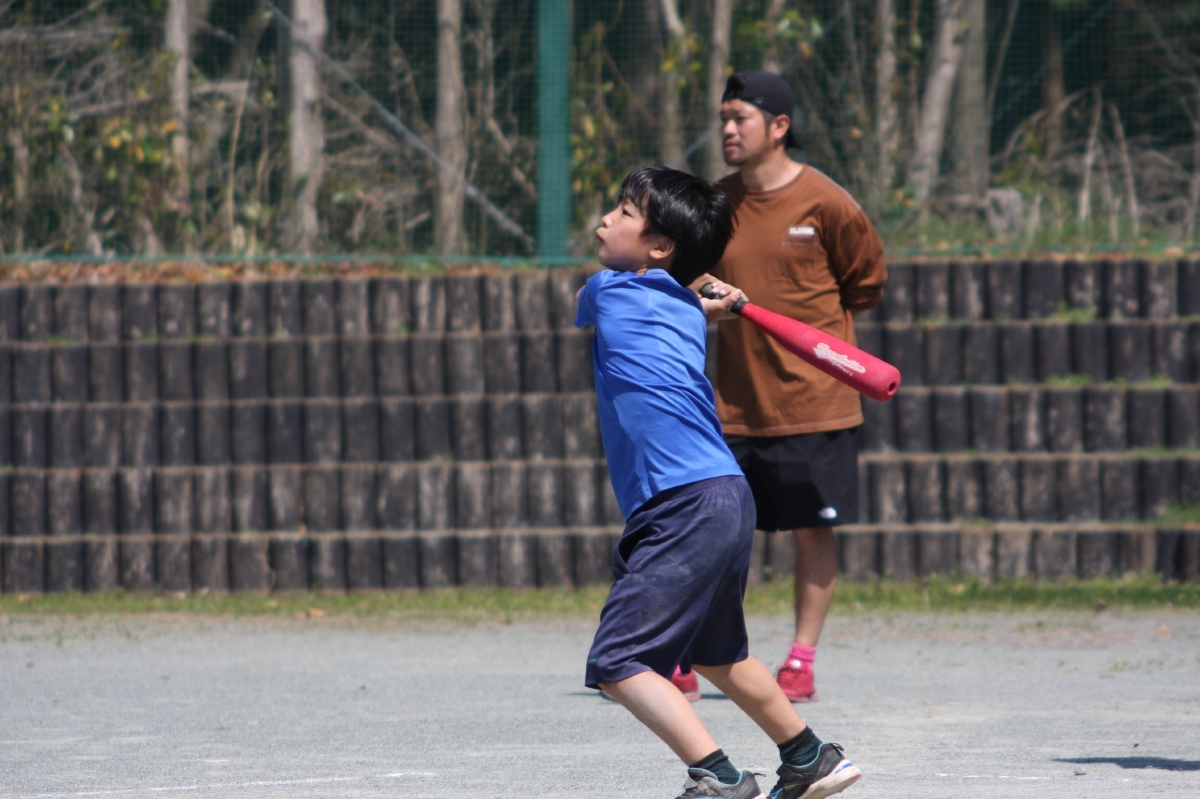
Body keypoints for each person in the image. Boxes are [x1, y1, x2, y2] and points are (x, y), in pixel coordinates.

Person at [578, 164, 861, 799]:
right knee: (715, 651)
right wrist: (702, 293)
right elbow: (674, 296)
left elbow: (619, 297)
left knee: (618, 660)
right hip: (726, 493)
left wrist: (697, 293)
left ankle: (719, 776)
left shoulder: (607, 290)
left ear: (660, 246)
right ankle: (809, 758)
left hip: (680, 503)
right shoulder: (686, 313)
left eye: (624, 214)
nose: (605, 220)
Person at [682, 70, 887, 704]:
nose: (727, 129)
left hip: (814, 403)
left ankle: (800, 661)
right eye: (723, 117)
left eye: (739, 117)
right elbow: (685, 276)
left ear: (779, 126)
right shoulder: (714, 203)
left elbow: (865, 284)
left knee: (812, 530)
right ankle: (703, 652)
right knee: (716, 535)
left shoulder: (827, 201)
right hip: (732, 406)